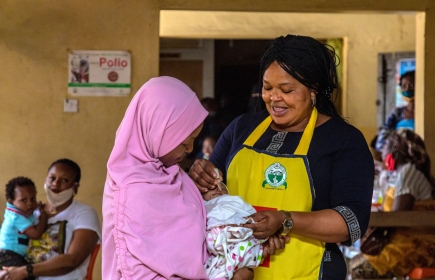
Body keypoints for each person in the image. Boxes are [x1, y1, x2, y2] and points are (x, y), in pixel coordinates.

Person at [189, 34, 374, 279]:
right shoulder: (242, 129)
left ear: (313, 90)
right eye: (267, 88)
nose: (274, 98)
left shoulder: (343, 140)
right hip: (237, 272)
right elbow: (209, 194)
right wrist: (201, 176)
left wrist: (285, 220)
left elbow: (351, 222)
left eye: (286, 90)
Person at [102, 76, 259, 280]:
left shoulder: (170, 174)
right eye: (184, 142)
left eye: (194, 140)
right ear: (157, 133)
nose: (191, 149)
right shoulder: (132, 193)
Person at [350, 129, 435, 278]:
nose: (382, 153)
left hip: (416, 244)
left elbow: (397, 215)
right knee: (354, 263)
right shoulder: (400, 173)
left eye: (385, 147)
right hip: (404, 241)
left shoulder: (408, 172)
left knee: (360, 269)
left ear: (395, 150)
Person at [0, 159, 101, 280]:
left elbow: (73, 259)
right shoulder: (32, 213)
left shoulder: (84, 214)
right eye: (52, 178)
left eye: (64, 180)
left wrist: (25, 271)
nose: (55, 184)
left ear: (75, 186)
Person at [202, 186, 265, 279]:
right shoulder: (202, 206)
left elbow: (250, 215)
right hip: (216, 238)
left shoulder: (235, 202)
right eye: (212, 188)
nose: (218, 189)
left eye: (223, 188)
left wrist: (242, 223)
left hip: (240, 234)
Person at [0, 177, 47, 267]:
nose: (30, 203)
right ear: (11, 201)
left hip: (15, 255)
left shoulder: (22, 210)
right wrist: (44, 217)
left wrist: (37, 207)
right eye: (24, 200)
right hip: (8, 255)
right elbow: (35, 234)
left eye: (33, 199)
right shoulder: (15, 216)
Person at [375, 70, 415, 152]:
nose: (407, 89)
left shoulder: (427, 113)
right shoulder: (397, 113)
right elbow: (380, 143)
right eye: (404, 86)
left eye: (411, 85)